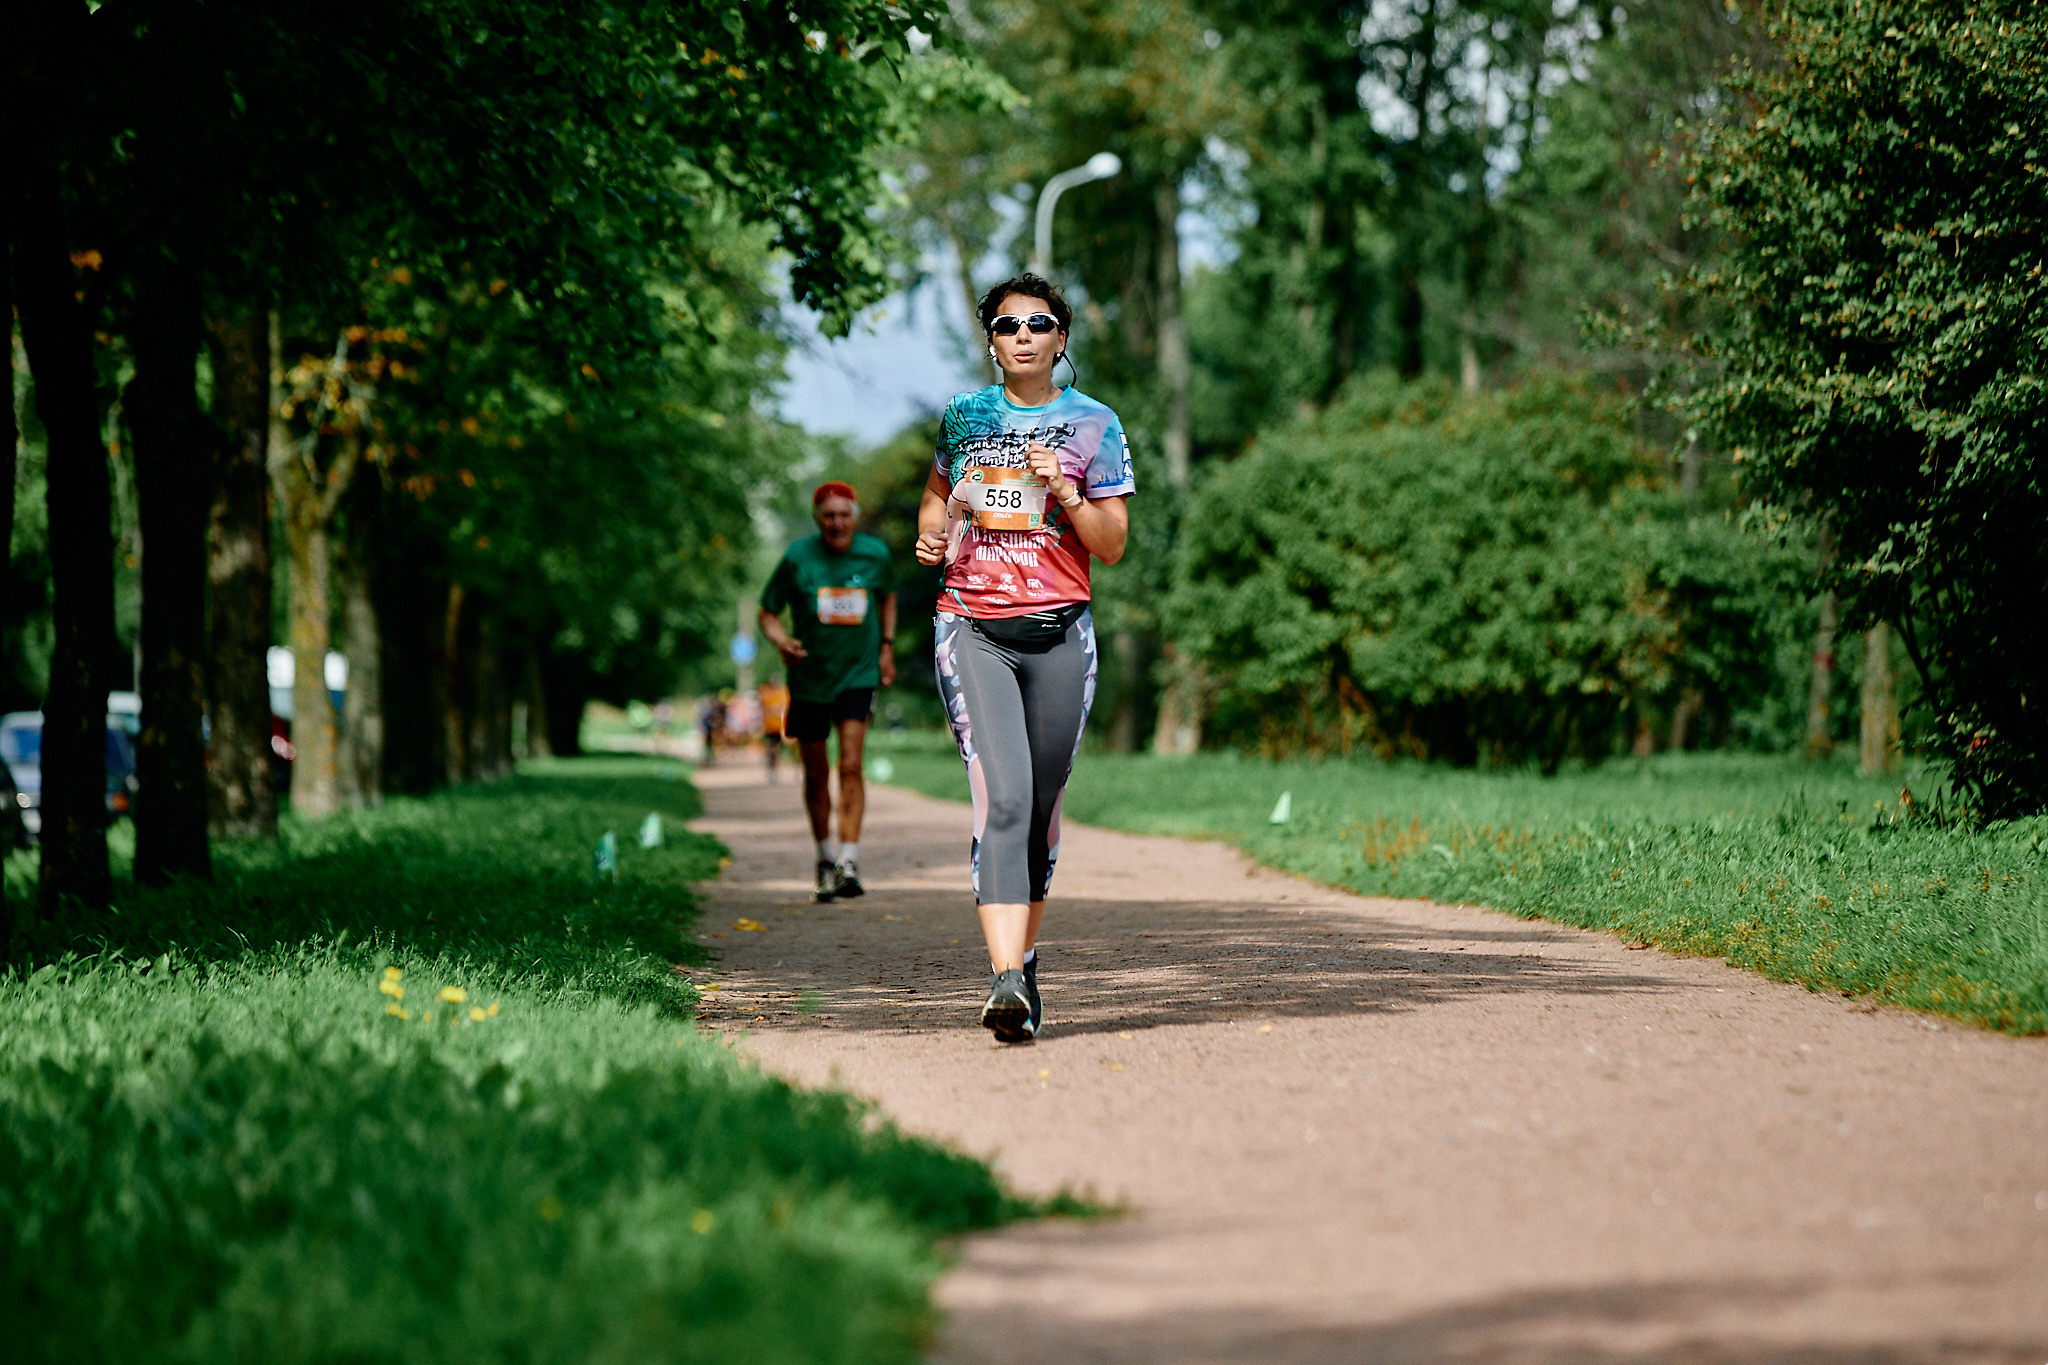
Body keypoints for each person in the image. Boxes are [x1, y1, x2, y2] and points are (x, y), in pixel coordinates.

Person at [914, 272, 1133, 1043]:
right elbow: (939, 494)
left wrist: (1066, 494)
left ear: (1060, 339)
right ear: (992, 341)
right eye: (1008, 326)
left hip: (1061, 631)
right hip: (971, 624)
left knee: (1040, 812)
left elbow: (1110, 544)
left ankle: (1026, 960)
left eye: (1039, 324)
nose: (1024, 336)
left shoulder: (1095, 424)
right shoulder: (965, 415)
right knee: (1003, 799)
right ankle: (1004, 980)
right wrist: (933, 533)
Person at [759, 482, 898, 901]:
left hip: (858, 675)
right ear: (818, 518)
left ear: (854, 517)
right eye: (828, 516)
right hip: (809, 681)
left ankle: (849, 860)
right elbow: (768, 612)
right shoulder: (798, 558)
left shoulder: (874, 555)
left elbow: (888, 597)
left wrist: (886, 648)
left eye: (844, 515)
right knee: (817, 771)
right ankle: (824, 858)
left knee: (851, 765)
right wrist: (782, 640)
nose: (837, 523)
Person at [758, 677, 790, 783]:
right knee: (772, 749)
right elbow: (763, 706)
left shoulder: (783, 693)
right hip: (770, 728)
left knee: (786, 749)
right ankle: (772, 770)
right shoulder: (765, 693)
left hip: (782, 727)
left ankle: (783, 769)